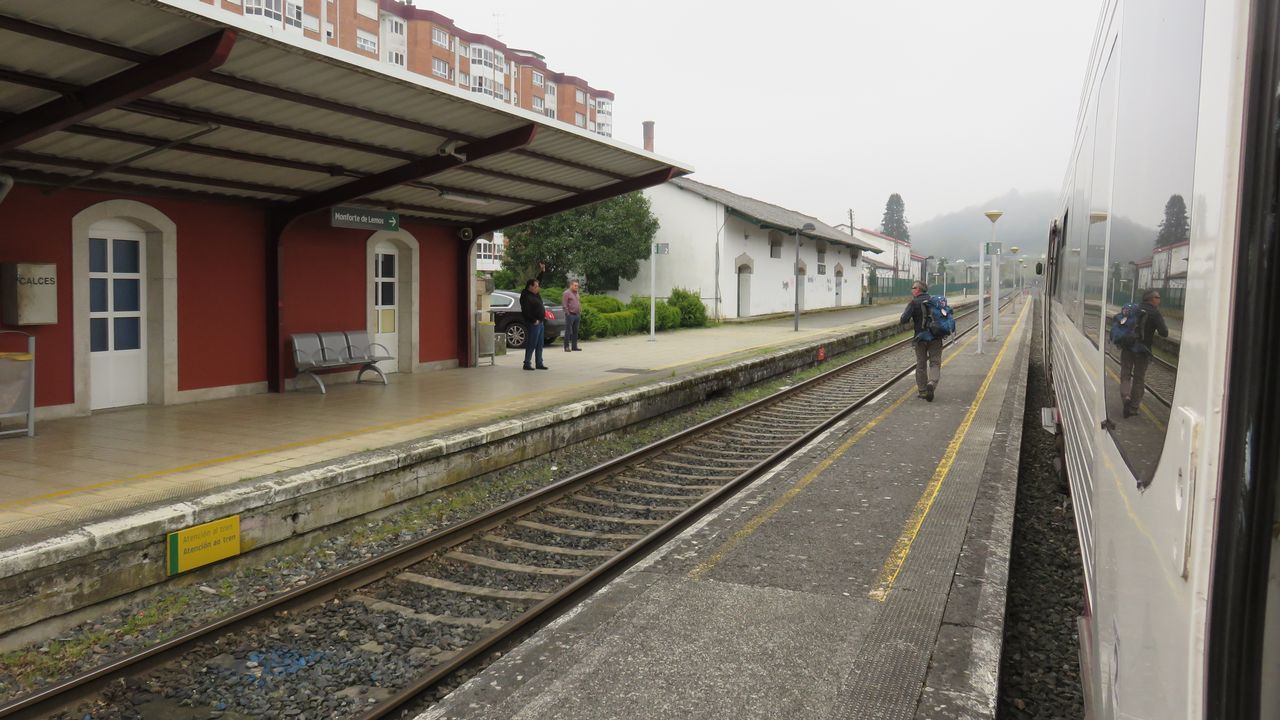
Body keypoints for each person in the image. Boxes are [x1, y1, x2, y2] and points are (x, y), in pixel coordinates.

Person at [1119, 289, 1169, 418]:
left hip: (1127, 347)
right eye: (1158, 297)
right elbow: (1164, 333)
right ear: (1152, 299)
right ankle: (1133, 408)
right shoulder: (1155, 313)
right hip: (1143, 350)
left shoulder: (1133, 308)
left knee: (1125, 374)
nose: (1159, 300)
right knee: (1139, 379)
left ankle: (1126, 397)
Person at [901, 280, 941, 401]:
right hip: (935, 337)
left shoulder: (913, 303)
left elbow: (903, 319)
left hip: (920, 338)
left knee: (921, 364)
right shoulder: (934, 300)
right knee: (935, 362)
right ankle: (932, 383)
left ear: (918, 290)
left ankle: (923, 391)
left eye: (913, 288)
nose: (912, 290)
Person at [520, 263, 549, 370]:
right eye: (536, 286)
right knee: (532, 343)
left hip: (540, 322)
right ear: (530, 287)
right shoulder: (525, 296)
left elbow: (538, 280)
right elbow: (525, 311)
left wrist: (542, 271)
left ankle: (539, 363)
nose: (538, 288)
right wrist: (533, 320)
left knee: (540, 343)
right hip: (533, 323)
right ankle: (527, 363)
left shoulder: (535, 293)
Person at [561, 280, 582, 352]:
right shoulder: (566, 293)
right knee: (568, 331)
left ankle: (574, 346)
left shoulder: (577, 293)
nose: (577, 287)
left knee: (575, 331)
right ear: (571, 285)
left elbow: (578, 302)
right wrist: (568, 313)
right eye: (575, 285)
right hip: (570, 314)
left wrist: (580, 310)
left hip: (577, 314)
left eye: (577, 286)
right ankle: (566, 347)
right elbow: (564, 304)